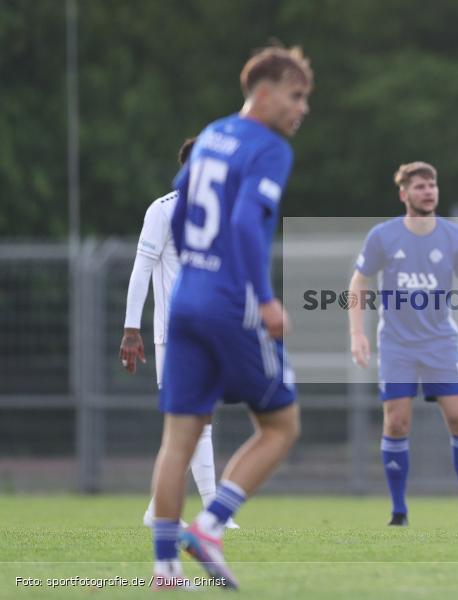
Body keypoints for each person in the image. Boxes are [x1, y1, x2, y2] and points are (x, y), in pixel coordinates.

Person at [148, 45, 313, 589]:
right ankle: (211, 525)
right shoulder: (269, 147)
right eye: (295, 95)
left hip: (186, 301)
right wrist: (265, 298)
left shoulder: (213, 133)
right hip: (230, 304)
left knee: (179, 438)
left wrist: (193, 267)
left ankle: (166, 570)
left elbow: (178, 207)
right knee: (281, 424)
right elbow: (244, 224)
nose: (302, 108)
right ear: (262, 93)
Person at [348, 161, 458, 527]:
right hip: (396, 346)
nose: (428, 191)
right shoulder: (382, 236)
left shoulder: (455, 237)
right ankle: (399, 512)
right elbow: (358, 284)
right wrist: (358, 334)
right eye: (420, 186)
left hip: (441, 344)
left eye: (432, 185)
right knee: (396, 424)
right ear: (404, 194)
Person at [119, 137, 237, 531]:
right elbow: (142, 268)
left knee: (199, 418)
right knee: (193, 418)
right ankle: (212, 512)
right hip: (174, 332)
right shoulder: (164, 210)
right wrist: (131, 328)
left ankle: (160, 511)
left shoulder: (220, 215)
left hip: (211, 331)